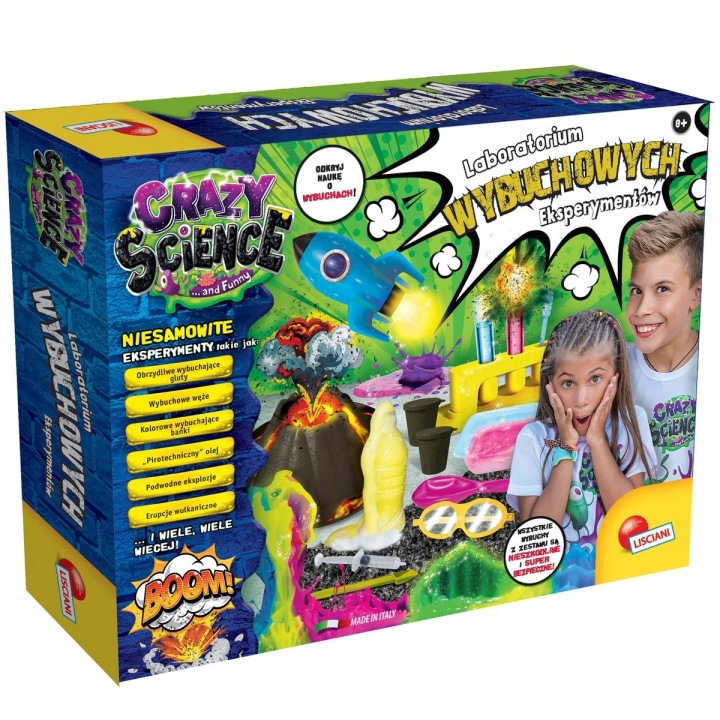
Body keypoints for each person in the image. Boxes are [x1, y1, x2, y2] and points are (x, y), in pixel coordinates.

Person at [508, 311, 655, 550]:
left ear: (616, 378)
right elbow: (536, 539)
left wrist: (597, 440)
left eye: (595, 379)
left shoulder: (632, 422)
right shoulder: (534, 438)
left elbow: (632, 519)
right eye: (568, 383)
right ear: (550, 385)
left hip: (619, 565)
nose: (581, 400)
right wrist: (566, 446)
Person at [626, 211, 703, 482]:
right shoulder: (613, 371)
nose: (642, 309)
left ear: (696, 294)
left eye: (662, 289)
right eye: (636, 291)